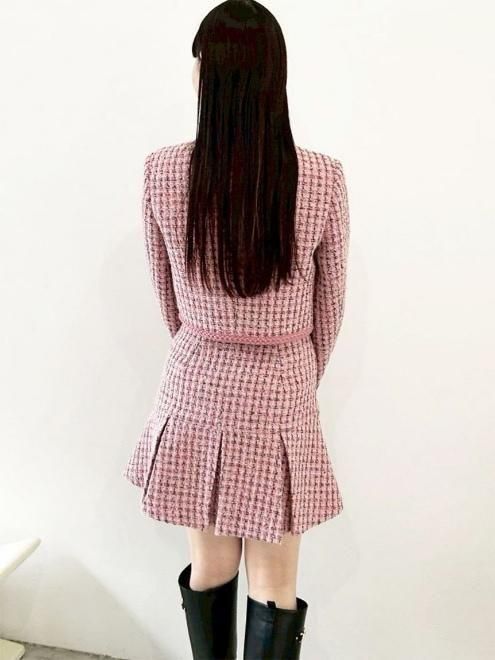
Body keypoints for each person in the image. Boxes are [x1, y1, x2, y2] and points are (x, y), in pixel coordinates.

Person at [123, 1, 350, 658]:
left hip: (197, 381)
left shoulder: (163, 170)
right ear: (276, 76)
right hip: (281, 388)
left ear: (206, 73)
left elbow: (167, 296)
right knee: (274, 583)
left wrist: (206, 342)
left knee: (210, 566)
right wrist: (293, 371)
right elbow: (329, 309)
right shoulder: (321, 176)